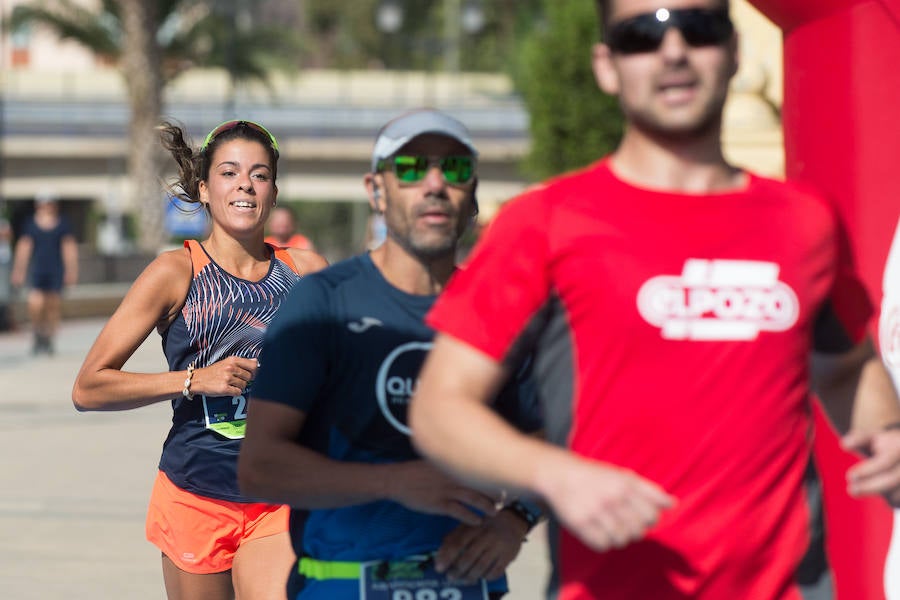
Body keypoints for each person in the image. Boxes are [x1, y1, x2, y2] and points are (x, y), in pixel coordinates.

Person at [409, 2, 900, 599]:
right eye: (642, 36)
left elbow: (847, 366)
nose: (673, 52)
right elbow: (439, 409)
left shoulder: (806, 221)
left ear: (735, 51)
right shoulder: (545, 224)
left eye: (699, 30)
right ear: (607, 66)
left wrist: (890, 432)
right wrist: (553, 475)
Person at [238, 108, 543, 599]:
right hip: (344, 585)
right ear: (375, 191)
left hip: (468, 587)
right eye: (410, 168)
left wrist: (516, 519)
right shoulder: (324, 302)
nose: (435, 184)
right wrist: (393, 482)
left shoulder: (502, 313)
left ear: (474, 198)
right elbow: (260, 468)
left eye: (456, 169)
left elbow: (557, 436)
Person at [72, 119, 328, 600]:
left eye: (260, 174)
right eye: (229, 173)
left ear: (273, 192)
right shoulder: (175, 272)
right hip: (196, 494)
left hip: (281, 497)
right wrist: (193, 380)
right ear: (205, 190)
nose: (245, 185)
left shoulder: (307, 271)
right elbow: (89, 387)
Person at [10, 193, 78, 354]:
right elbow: (24, 248)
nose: (47, 206)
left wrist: (72, 270)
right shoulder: (31, 224)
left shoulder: (62, 224)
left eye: (50, 203)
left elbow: (69, 248)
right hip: (38, 270)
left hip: (55, 270)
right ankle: (37, 332)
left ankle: (49, 337)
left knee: (53, 305)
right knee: (35, 303)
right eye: (43, 203)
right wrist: (18, 271)